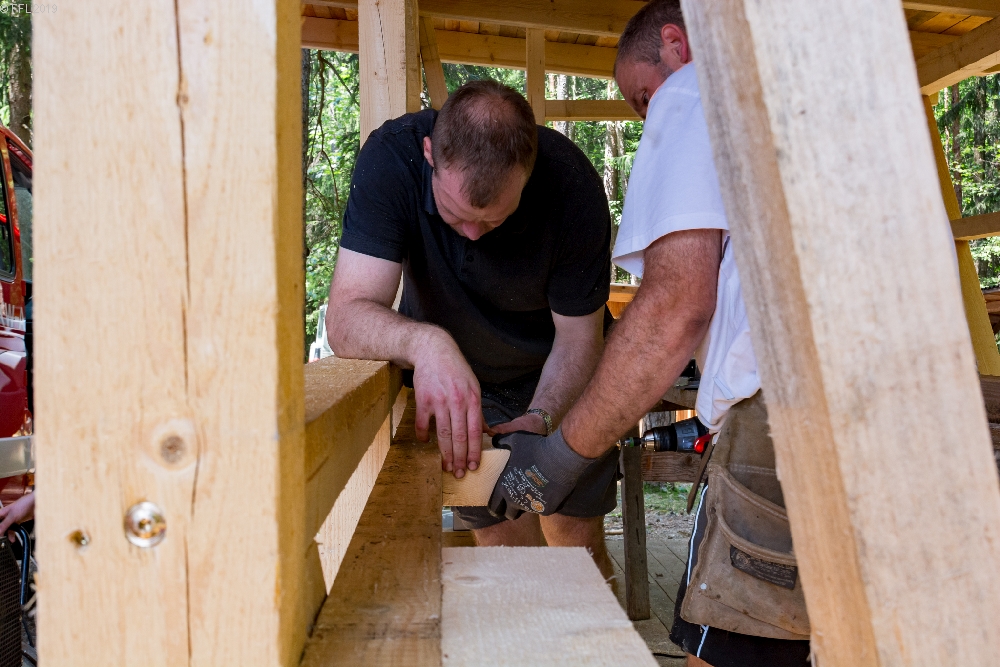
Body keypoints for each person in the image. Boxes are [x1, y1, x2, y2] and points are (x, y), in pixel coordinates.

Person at [485, 2, 811, 666]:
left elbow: (674, 307)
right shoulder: (803, 94)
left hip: (780, 421)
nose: (646, 116)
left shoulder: (694, 89)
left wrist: (560, 456)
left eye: (642, 97)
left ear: (675, 44)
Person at [325, 80, 619, 579]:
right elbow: (346, 317)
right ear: (429, 155)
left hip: (558, 375)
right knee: (503, 549)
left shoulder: (571, 184)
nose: (473, 234)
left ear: (528, 175)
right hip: (461, 386)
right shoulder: (393, 159)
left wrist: (541, 418)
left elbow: (578, 340)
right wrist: (427, 343)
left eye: (495, 219)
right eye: (456, 214)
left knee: (576, 543)